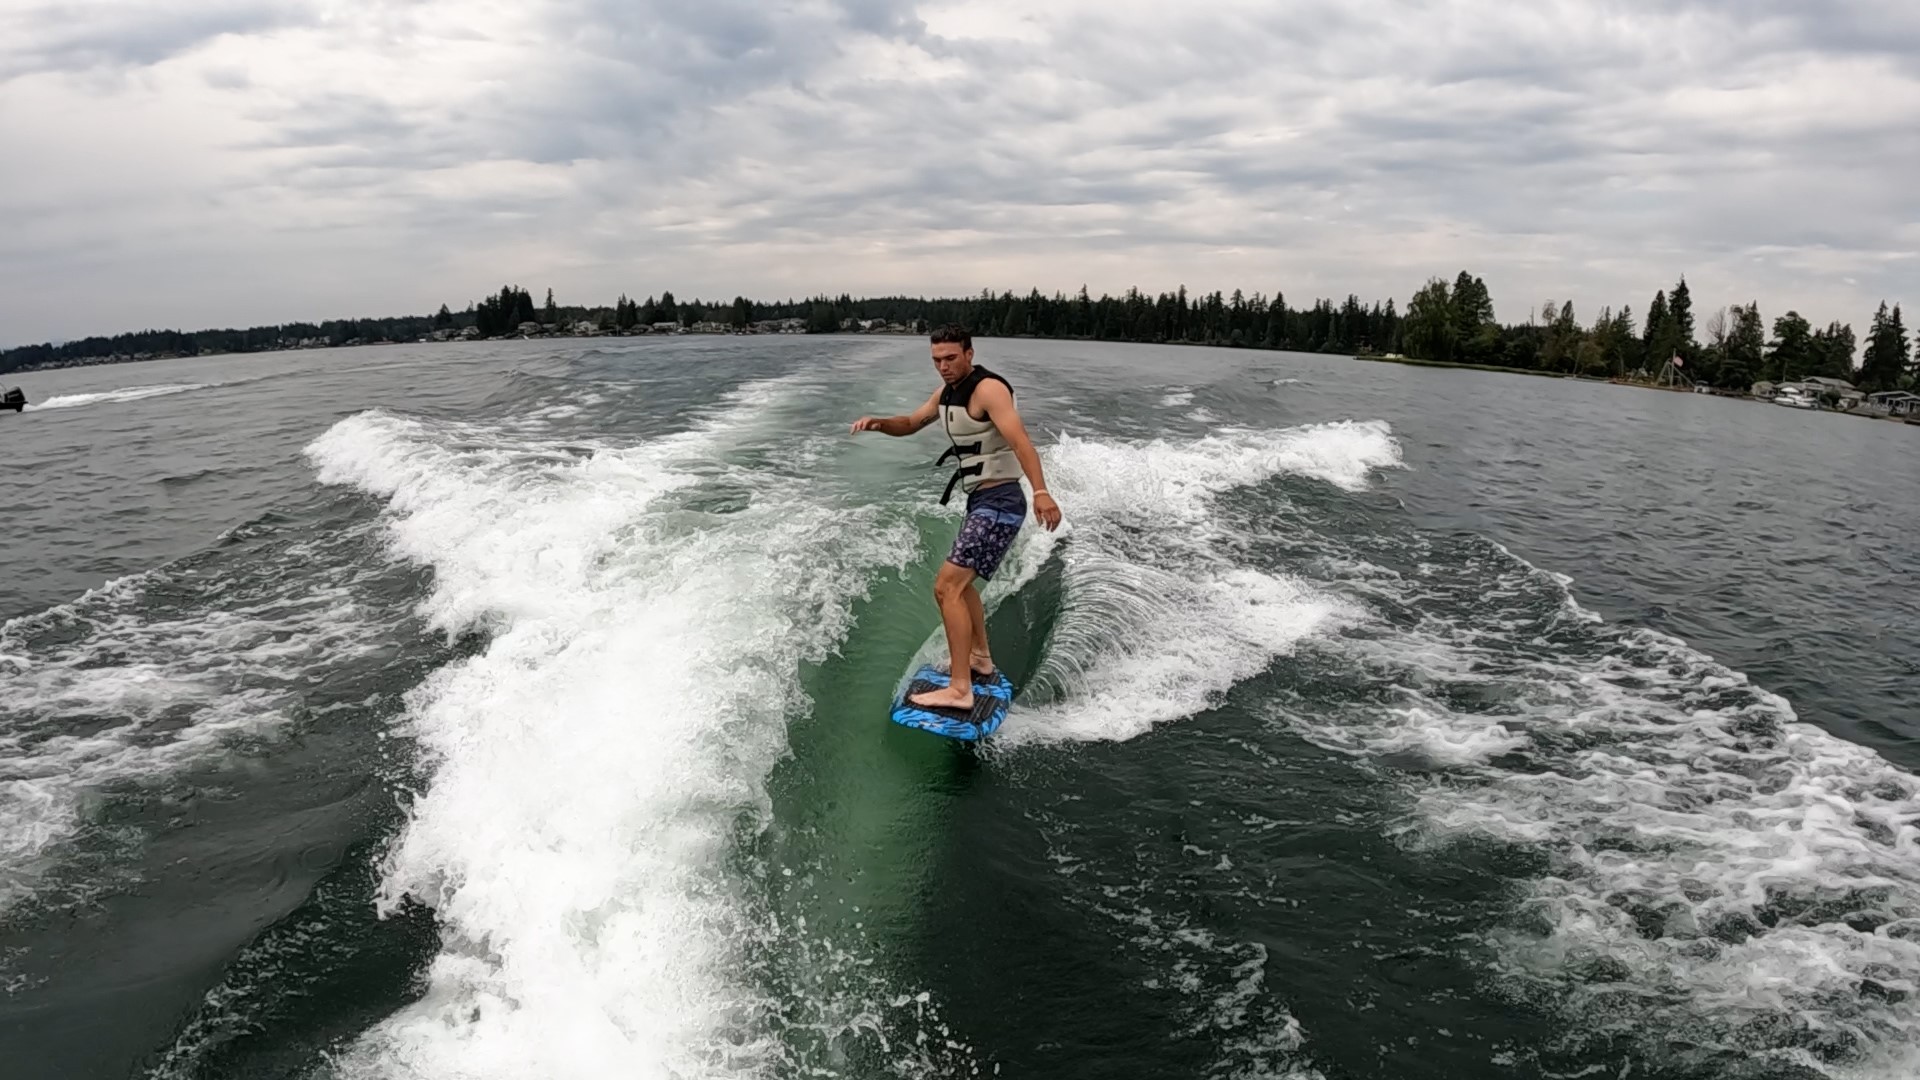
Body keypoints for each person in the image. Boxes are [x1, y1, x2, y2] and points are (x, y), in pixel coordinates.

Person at [850, 324, 1062, 711]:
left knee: (946, 587)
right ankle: (980, 659)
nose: (944, 367)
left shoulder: (989, 390)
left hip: (1000, 502)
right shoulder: (946, 394)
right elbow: (912, 423)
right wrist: (879, 423)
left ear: (969, 353)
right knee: (962, 588)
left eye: (950, 358)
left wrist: (1042, 493)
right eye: (937, 361)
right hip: (980, 502)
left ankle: (960, 688)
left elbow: (1020, 441)